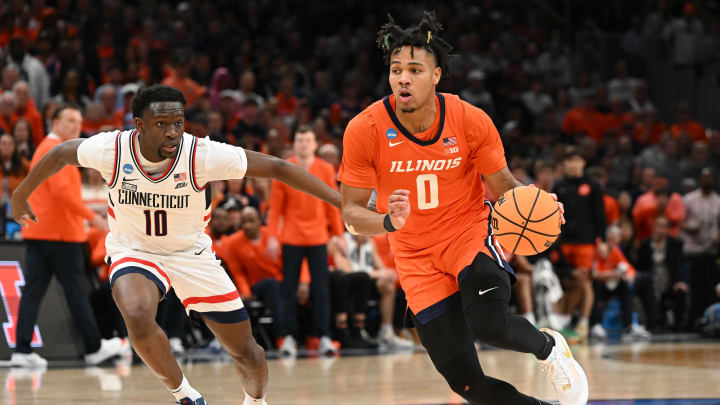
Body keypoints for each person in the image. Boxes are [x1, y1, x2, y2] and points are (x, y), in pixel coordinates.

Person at [11, 85, 342, 405]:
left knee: (247, 352)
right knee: (137, 313)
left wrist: (341, 202)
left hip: (192, 255)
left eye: (178, 123)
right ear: (139, 126)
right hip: (135, 250)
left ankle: (255, 400)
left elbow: (277, 167)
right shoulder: (112, 149)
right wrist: (21, 193)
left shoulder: (201, 154)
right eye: (161, 124)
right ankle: (186, 396)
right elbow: (60, 153)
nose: (173, 132)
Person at [338, 12, 588, 405]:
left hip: (467, 234)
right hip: (414, 255)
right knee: (465, 383)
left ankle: (549, 347)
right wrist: (386, 220)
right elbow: (350, 212)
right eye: (396, 69)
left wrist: (534, 202)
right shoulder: (365, 129)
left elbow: (504, 185)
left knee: (489, 324)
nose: (403, 78)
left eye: (415, 70)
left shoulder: (469, 119)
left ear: (436, 75)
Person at [10, 104, 125, 368]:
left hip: (42, 232)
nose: (76, 126)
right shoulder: (57, 150)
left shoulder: (47, 148)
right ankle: (94, 347)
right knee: (75, 291)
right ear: (54, 122)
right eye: (70, 120)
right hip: (61, 235)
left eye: (79, 121)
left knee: (33, 292)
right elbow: (64, 195)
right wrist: (93, 218)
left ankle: (22, 349)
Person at [268, 125, 344, 357]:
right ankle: (288, 336)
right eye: (300, 140)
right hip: (291, 236)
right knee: (288, 289)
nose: (303, 144)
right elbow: (275, 208)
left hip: (318, 236)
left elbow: (332, 202)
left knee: (321, 289)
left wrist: (339, 234)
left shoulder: (325, 168)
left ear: (315, 144)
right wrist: (272, 236)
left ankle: (322, 336)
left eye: (307, 140)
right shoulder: (284, 168)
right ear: (294, 143)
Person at [553, 147, 607, 341]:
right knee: (568, 283)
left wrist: (602, 240)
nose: (573, 165)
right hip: (564, 241)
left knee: (584, 281)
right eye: (569, 161)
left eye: (577, 160)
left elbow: (600, 215)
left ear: (583, 163)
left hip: (586, 242)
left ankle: (583, 323)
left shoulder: (593, 185)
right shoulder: (559, 186)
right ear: (564, 164)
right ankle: (566, 321)